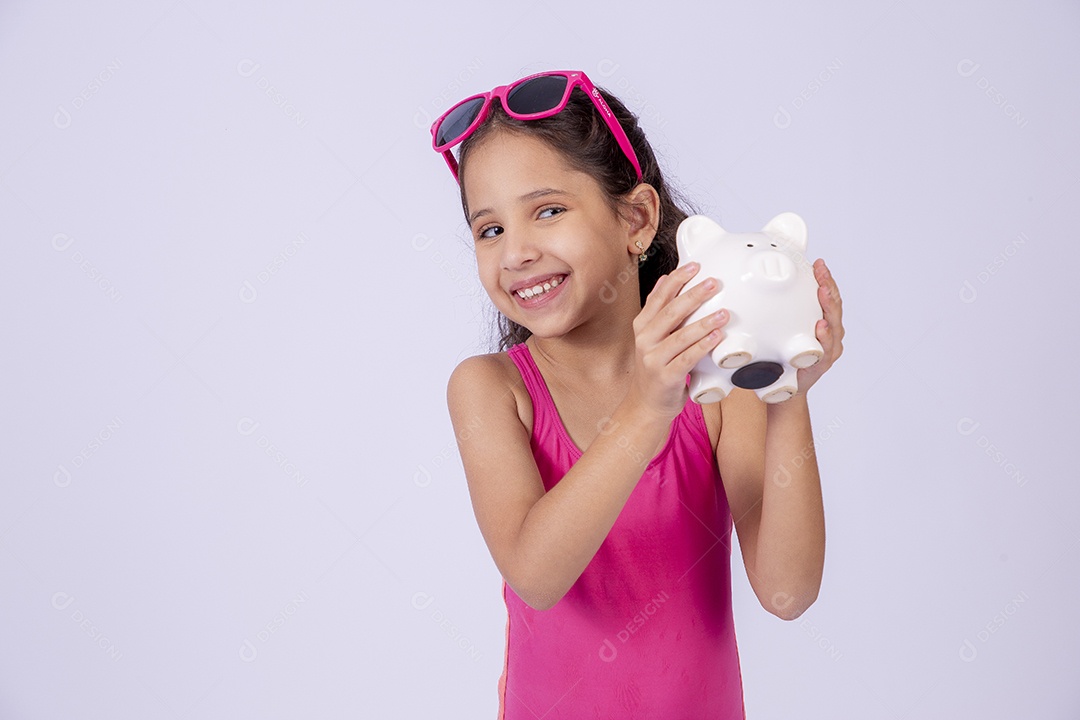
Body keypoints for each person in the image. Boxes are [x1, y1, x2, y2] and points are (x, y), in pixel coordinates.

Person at [431, 69, 844, 719]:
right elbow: (537, 575)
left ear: (638, 218)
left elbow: (788, 592)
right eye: (490, 230)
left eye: (547, 211)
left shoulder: (714, 384)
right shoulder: (490, 389)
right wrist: (647, 409)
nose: (516, 253)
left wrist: (789, 392)